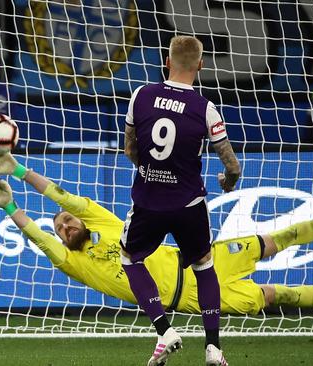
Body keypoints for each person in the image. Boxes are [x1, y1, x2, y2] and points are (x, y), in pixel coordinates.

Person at [0, 153, 313, 347]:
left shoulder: (104, 223)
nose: (66, 223)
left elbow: (63, 196)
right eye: (60, 227)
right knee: (281, 296)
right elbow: (36, 236)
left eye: (67, 220)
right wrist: (11, 206)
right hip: (193, 299)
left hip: (202, 260)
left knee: (275, 239)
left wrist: (18, 169)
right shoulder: (72, 262)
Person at [120, 35, 240, 366]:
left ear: (167, 61)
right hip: (188, 204)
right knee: (204, 265)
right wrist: (227, 183)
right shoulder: (205, 108)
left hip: (148, 201)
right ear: (200, 65)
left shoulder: (140, 96)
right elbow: (232, 164)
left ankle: (164, 329)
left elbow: (130, 148)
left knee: (130, 259)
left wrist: (152, 171)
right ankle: (213, 348)